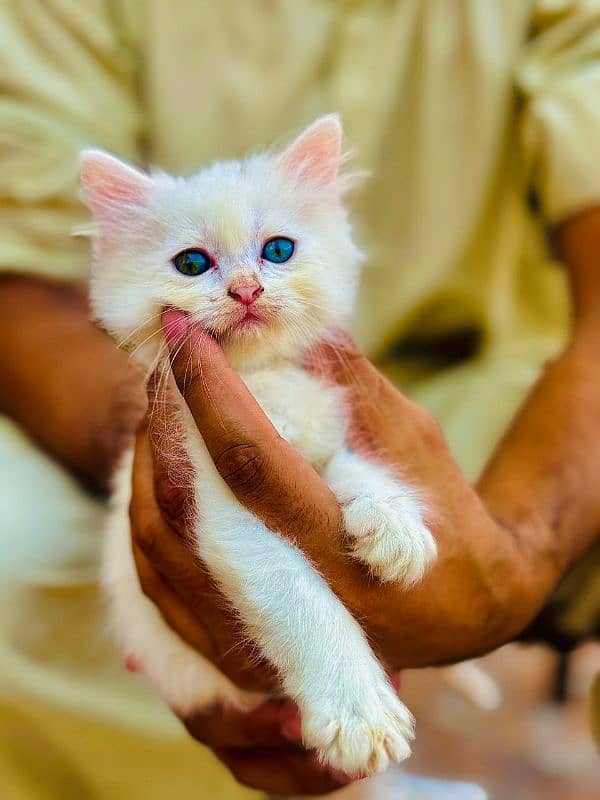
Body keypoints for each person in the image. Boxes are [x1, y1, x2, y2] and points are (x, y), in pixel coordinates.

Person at [0, 1, 599, 797]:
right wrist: (174, 439)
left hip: (500, 384)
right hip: (136, 406)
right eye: (194, 265)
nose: (245, 285)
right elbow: (22, 283)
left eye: (275, 252)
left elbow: (335, 462)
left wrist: (516, 559)